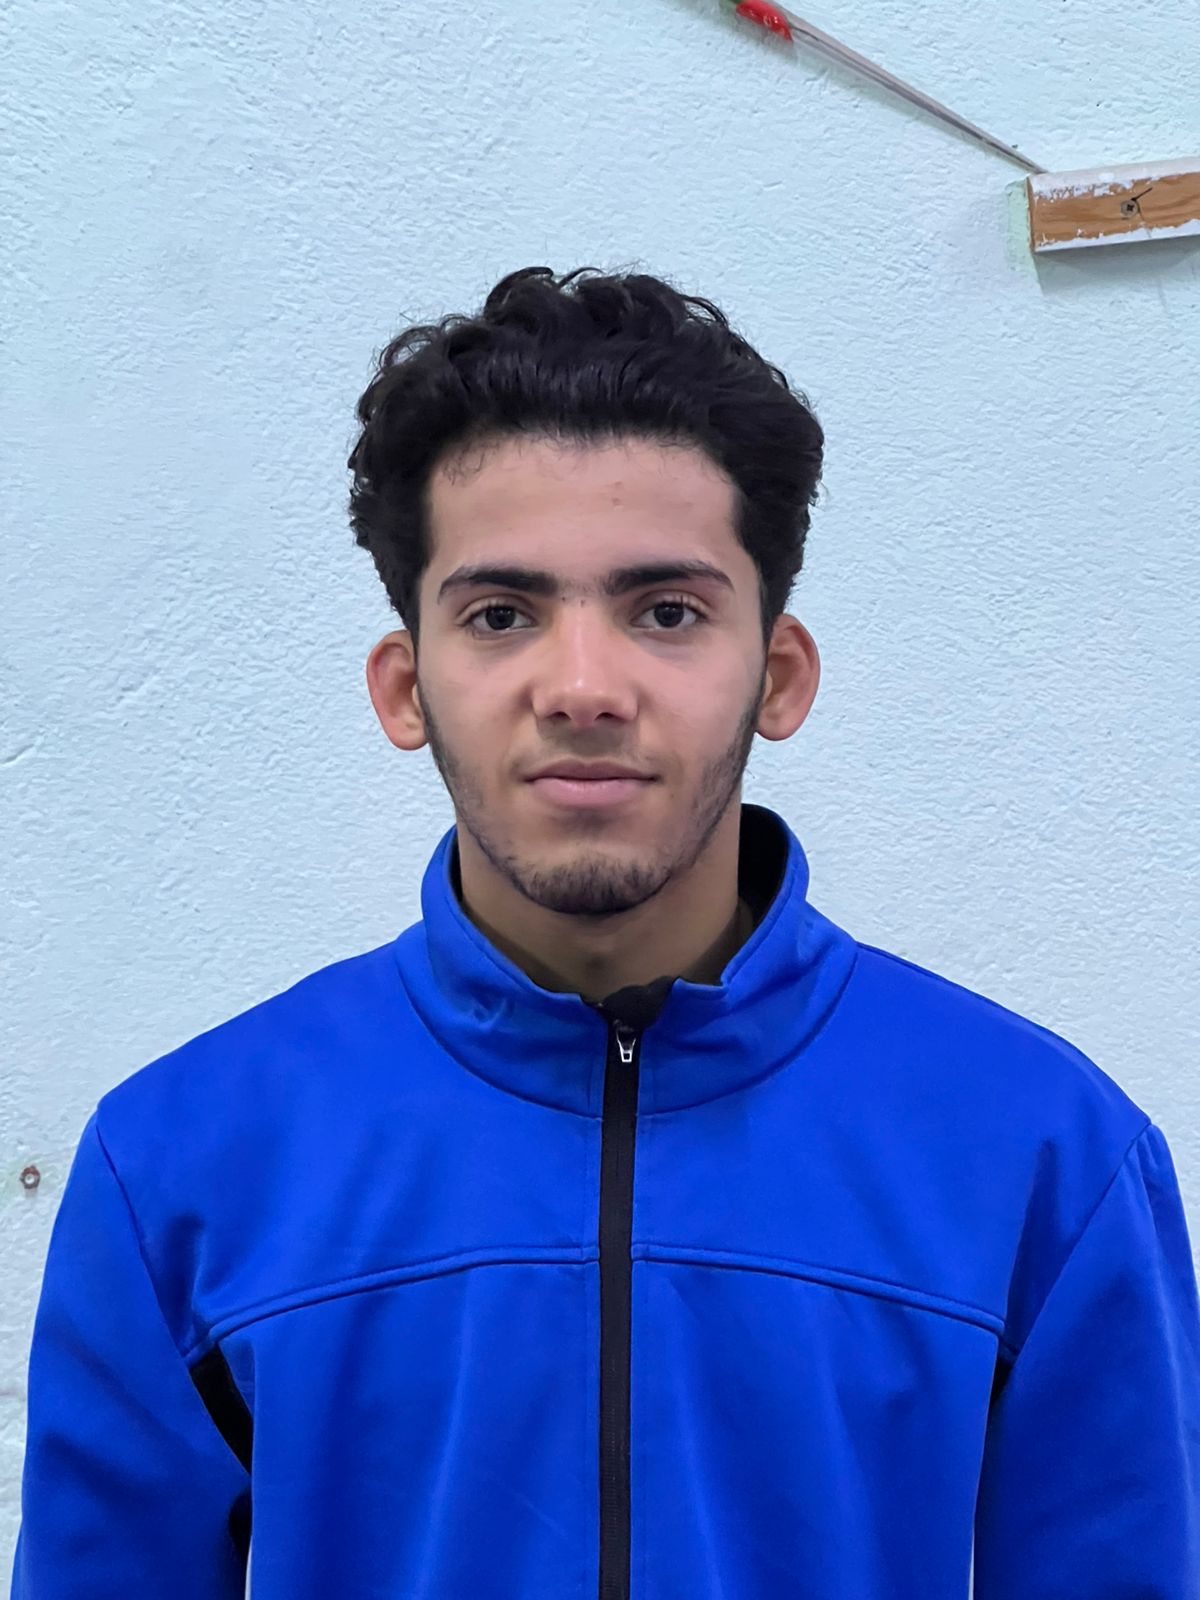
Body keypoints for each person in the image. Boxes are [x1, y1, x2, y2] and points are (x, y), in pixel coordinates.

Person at [10, 265, 1199, 1599]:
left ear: (778, 675)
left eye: (667, 612)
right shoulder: (180, 1161)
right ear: (406, 687)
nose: (583, 687)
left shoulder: (1045, 1154)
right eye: (502, 615)